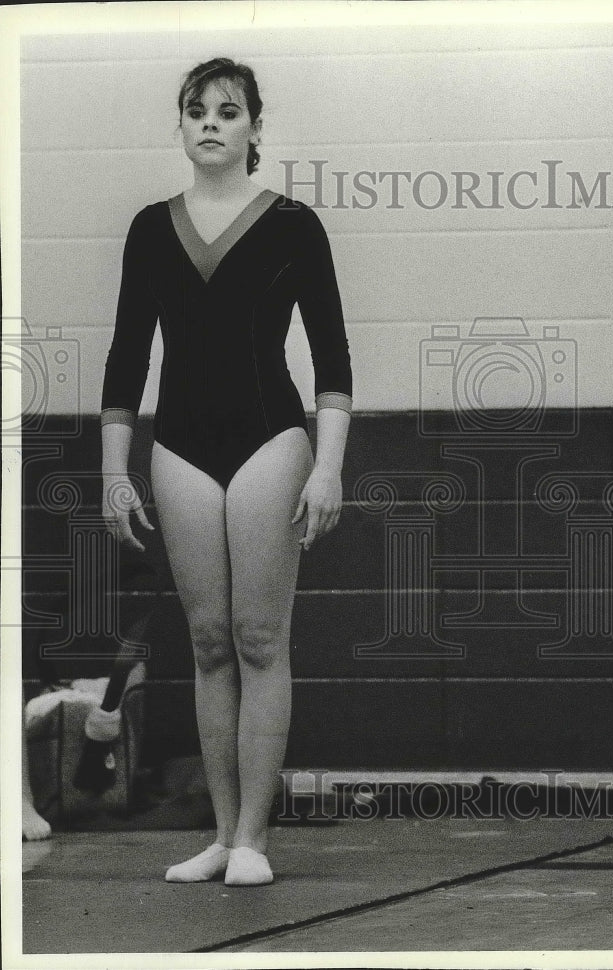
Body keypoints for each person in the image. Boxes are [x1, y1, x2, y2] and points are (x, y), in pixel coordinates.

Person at [100, 57, 352, 886]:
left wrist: (330, 470)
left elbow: (333, 358)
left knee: (258, 637)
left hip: (273, 441)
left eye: (228, 110)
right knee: (208, 644)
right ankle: (217, 833)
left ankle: (254, 838)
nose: (210, 122)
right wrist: (114, 472)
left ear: (253, 130)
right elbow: (127, 355)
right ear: (181, 125)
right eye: (196, 109)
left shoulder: (292, 225)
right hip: (178, 449)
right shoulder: (149, 227)